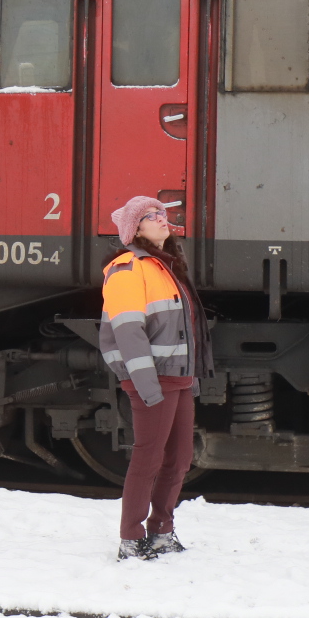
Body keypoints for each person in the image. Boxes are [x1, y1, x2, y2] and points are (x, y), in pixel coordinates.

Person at [99, 196, 213, 561]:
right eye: (152, 216)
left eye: (163, 213)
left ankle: (161, 530)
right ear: (136, 229)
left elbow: (185, 330)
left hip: (177, 378)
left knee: (179, 459)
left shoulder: (165, 267)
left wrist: (190, 375)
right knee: (148, 459)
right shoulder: (128, 268)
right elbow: (129, 332)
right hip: (153, 379)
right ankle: (130, 539)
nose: (164, 219)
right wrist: (146, 384)